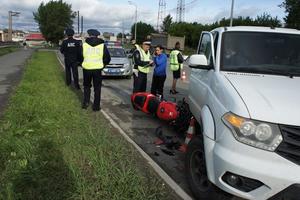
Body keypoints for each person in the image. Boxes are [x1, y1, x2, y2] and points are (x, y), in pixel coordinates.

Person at [80, 29, 111, 111]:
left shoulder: (84, 45)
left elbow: (79, 57)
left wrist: (82, 64)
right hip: (97, 70)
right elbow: (107, 58)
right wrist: (102, 65)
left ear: (89, 35)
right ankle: (96, 106)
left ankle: (86, 103)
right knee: (97, 88)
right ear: (97, 36)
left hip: (87, 69)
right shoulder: (102, 45)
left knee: (86, 86)